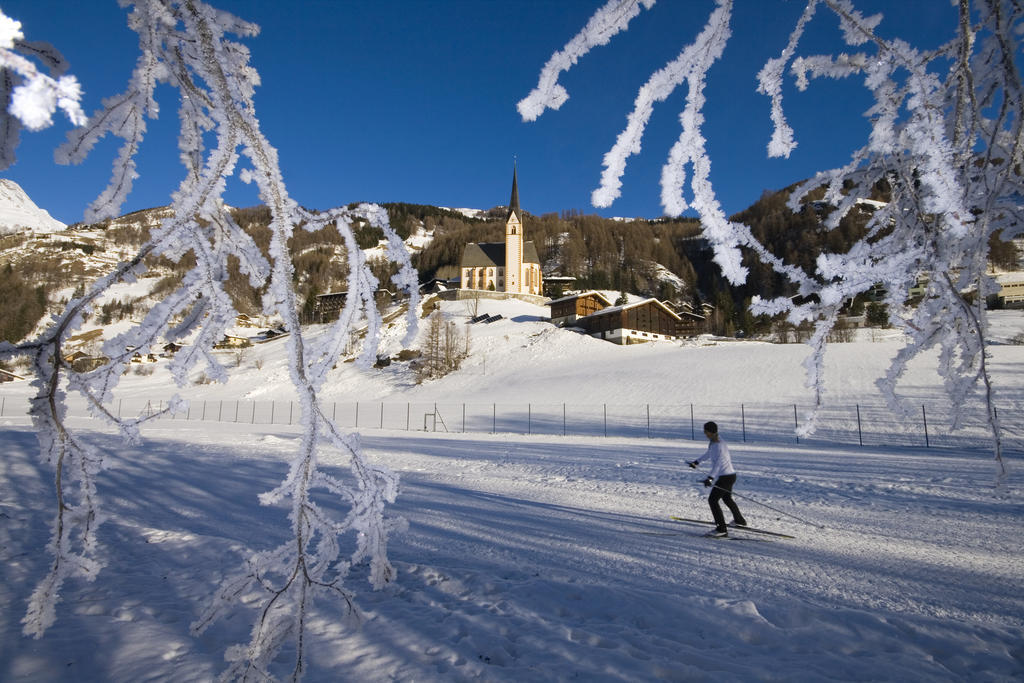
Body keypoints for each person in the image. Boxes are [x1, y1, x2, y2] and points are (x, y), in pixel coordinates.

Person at [688, 421, 746, 537]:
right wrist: (697, 462)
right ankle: (739, 521)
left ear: (710, 431)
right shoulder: (716, 442)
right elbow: (708, 454)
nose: (705, 433)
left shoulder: (718, 445)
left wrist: (710, 478)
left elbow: (718, 464)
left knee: (713, 500)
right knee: (727, 499)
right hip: (730, 475)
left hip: (725, 477)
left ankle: (721, 529)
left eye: (706, 431)